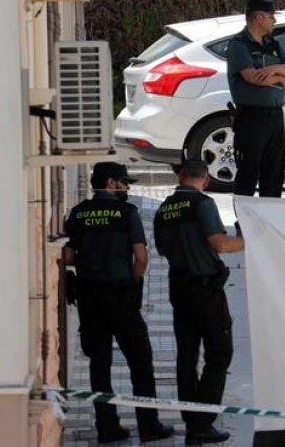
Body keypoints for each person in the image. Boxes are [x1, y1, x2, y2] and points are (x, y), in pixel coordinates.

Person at [63, 162, 173, 444]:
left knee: (99, 364)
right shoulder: (126, 213)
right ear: (111, 183)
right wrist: (134, 282)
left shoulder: (78, 213)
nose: (128, 188)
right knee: (140, 360)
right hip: (120, 295)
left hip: (89, 296)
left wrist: (91, 258)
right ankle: (149, 426)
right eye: (125, 182)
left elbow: (68, 256)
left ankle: (107, 428)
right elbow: (142, 256)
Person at [153, 161, 245, 445]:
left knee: (187, 355)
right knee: (219, 354)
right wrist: (247, 239)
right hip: (205, 291)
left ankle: (191, 417)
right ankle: (201, 423)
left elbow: (163, 250)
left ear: (180, 177)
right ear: (205, 180)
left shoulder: (163, 209)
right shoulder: (203, 204)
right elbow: (220, 244)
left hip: (178, 287)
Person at [225, 0, 285, 197]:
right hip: (251, 118)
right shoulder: (239, 45)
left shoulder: (272, 44)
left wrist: (274, 69)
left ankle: (269, 221)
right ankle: (245, 223)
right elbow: (253, 78)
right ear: (259, 17)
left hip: (275, 117)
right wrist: (280, 78)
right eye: (271, 17)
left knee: (274, 172)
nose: (274, 21)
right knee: (248, 172)